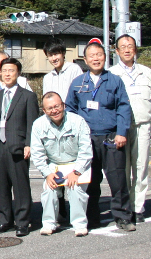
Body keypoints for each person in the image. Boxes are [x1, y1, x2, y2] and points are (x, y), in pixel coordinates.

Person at [66, 41, 135, 232]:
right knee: (90, 181)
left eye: (99, 55)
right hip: (87, 139)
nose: (96, 58)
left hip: (111, 137)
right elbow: (69, 109)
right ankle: (91, 218)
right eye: (92, 56)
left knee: (118, 180)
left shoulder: (114, 80)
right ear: (86, 60)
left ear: (105, 57)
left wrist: (122, 132)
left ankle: (123, 217)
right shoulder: (78, 82)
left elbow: (123, 107)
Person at [107, 34, 151, 223]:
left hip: (142, 125)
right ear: (117, 51)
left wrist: (149, 115)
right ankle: (125, 207)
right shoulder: (111, 74)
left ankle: (138, 207)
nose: (127, 49)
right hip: (120, 130)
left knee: (140, 167)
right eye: (123, 46)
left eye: (130, 46)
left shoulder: (147, 72)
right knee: (122, 169)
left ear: (135, 49)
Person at [0, 58, 39, 237]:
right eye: (4, 70)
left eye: (11, 70)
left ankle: (23, 222)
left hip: (18, 146)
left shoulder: (27, 96)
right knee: (3, 186)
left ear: (18, 73)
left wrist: (29, 144)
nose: (7, 74)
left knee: (21, 185)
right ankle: (5, 220)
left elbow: (32, 123)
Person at [30, 91, 93, 237]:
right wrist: (47, 174)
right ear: (44, 110)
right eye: (50, 108)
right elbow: (38, 154)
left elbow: (86, 150)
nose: (54, 110)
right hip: (54, 165)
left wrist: (76, 171)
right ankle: (49, 224)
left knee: (75, 188)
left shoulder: (78, 121)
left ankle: (80, 224)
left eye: (57, 106)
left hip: (76, 163)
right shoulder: (38, 125)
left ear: (63, 105)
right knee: (49, 189)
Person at [40, 39, 82, 223]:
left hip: (71, 123)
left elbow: (79, 97)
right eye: (51, 55)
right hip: (53, 125)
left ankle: (75, 209)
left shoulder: (75, 70)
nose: (54, 57)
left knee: (71, 162)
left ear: (63, 53)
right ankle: (60, 205)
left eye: (57, 53)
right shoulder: (47, 77)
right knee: (55, 164)